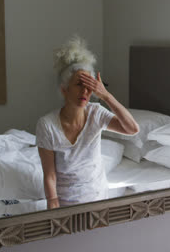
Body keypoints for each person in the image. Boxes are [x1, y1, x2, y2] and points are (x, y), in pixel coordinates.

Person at [36, 36, 139, 209]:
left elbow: (132, 129)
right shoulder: (47, 125)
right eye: (78, 84)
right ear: (64, 89)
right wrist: (53, 212)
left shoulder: (95, 113)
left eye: (89, 85)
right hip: (66, 204)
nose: (85, 91)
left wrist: (106, 95)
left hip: (97, 199)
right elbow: (50, 175)